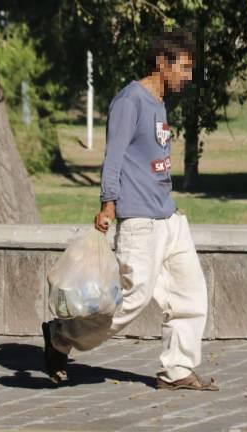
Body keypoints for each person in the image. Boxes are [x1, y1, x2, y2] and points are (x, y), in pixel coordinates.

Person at [42, 29, 218, 391]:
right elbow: (115, 157)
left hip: (168, 217)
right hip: (139, 220)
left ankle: (177, 371)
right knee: (129, 301)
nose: (187, 76)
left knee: (191, 292)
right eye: (183, 68)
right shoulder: (130, 101)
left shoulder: (158, 101)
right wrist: (108, 203)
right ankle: (61, 336)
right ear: (161, 63)